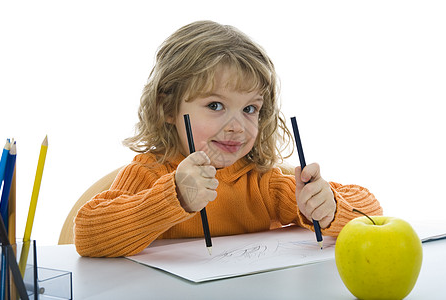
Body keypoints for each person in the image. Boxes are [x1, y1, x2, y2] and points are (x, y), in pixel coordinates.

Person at [74, 20, 382, 257]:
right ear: (167, 108)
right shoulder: (149, 173)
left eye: (250, 108)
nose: (237, 126)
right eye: (215, 106)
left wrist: (327, 207)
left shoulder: (262, 183)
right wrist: (175, 197)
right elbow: (88, 235)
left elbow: (372, 210)